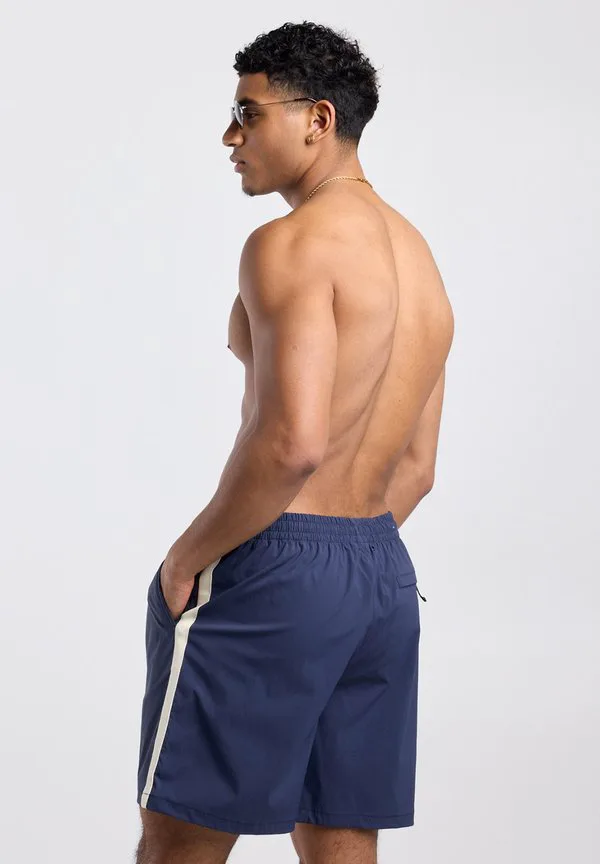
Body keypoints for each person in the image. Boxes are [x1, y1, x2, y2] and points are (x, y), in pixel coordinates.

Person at [135, 20, 454, 864]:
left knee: (178, 843)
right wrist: (340, 567)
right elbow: (417, 469)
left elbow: (293, 444)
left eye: (248, 113)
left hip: (278, 563)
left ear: (318, 119)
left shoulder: (288, 244)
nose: (230, 136)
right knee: (342, 837)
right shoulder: (420, 259)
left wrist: (187, 559)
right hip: (381, 575)